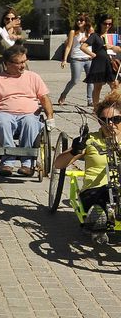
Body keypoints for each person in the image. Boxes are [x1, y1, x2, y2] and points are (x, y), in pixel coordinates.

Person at [0, 44, 55, 177]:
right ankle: (8, 161)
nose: (23, 66)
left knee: (30, 122)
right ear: (7, 64)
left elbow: (44, 98)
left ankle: (27, 164)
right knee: (2, 121)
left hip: (29, 114)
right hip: (4, 114)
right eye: (19, 63)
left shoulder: (33, 77)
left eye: (24, 61)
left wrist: (50, 117)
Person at [52, 90, 121, 234]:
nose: (110, 124)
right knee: (104, 196)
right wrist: (74, 150)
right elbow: (58, 165)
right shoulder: (90, 140)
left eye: (116, 119)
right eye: (105, 120)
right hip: (97, 190)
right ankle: (98, 217)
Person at [83, 14, 121, 106]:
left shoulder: (113, 36)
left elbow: (119, 49)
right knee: (97, 87)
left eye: (110, 24)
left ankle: (115, 105)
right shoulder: (95, 36)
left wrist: (112, 47)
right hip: (99, 64)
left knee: (115, 85)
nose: (107, 26)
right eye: (105, 23)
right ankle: (96, 107)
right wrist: (92, 54)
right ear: (100, 23)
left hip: (111, 64)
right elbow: (83, 47)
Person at [0, 8, 25, 74]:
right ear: (3, 20)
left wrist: (17, 37)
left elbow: (24, 38)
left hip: (18, 66)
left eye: (12, 19)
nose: (10, 20)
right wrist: (8, 26)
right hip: (3, 66)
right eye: (7, 19)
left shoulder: (19, 32)